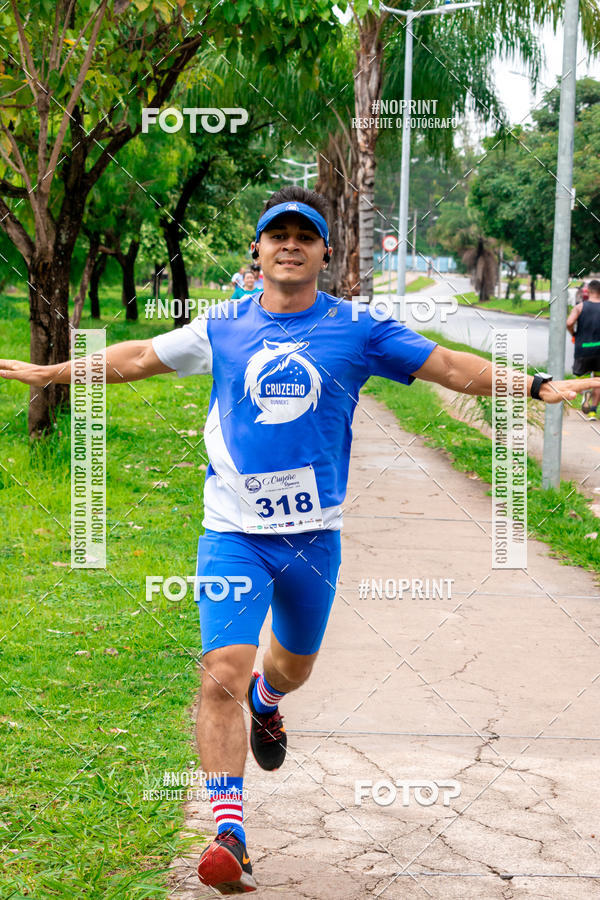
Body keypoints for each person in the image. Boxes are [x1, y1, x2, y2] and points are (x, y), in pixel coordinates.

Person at [2, 186, 598, 895]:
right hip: (233, 533)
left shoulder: (359, 329)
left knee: (290, 668)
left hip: (313, 541)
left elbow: (448, 367)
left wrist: (533, 385)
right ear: (256, 251)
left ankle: (269, 700)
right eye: (277, 235)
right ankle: (230, 835)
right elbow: (137, 357)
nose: (289, 245)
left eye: (304, 236)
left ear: (325, 253)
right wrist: (55, 372)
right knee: (221, 669)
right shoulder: (223, 325)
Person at [567, 278, 600, 418]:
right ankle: (593, 411)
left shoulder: (580, 307)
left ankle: (586, 395)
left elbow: (569, 322)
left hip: (583, 349)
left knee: (583, 380)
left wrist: (573, 334)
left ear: (588, 291)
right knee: (598, 381)